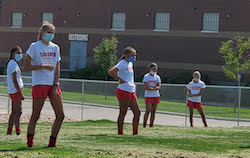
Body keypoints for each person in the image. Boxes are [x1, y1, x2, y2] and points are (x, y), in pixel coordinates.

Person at [24, 21, 64, 148]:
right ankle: (30, 143)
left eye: (52, 33)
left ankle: (52, 143)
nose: (51, 35)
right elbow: (26, 66)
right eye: (48, 32)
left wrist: (55, 84)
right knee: (36, 115)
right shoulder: (35, 46)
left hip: (52, 84)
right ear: (42, 33)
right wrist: (42, 66)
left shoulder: (55, 48)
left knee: (60, 115)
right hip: (39, 84)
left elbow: (57, 68)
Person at [108, 47, 141, 135]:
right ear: (126, 55)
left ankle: (135, 132)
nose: (134, 57)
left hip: (131, 90)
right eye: (132, 55)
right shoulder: (122, 63)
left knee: (137, 112)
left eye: (135, 55)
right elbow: (111, 72)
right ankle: (120, 132)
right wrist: (120, 79)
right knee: (123, 112)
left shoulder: (130, 64)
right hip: (123, 90)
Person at [6, 46, 24, 135]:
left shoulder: (14, 63)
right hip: (15, 91)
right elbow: (14, 80)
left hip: (16, 90)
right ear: (13, 54)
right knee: (18, 111)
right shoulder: (12, 64)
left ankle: (9, 130)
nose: (20, 55)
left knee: (14, 111)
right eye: (18, 53)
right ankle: (17, 130)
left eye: (20, 53)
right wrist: (20, 93)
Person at [142, 63, 161, 128]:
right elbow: (146, 87)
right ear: (150, 69)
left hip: (156, 95)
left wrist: (152, 88)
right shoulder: (146, 76)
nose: (155, 70)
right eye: (153, 69)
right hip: (148, 95)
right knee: (148, 110)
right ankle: (144, 124)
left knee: (153, 111)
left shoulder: (157, 77)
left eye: (156, 69)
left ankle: (151, 124)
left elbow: (158, 87)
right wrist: (153, 88)